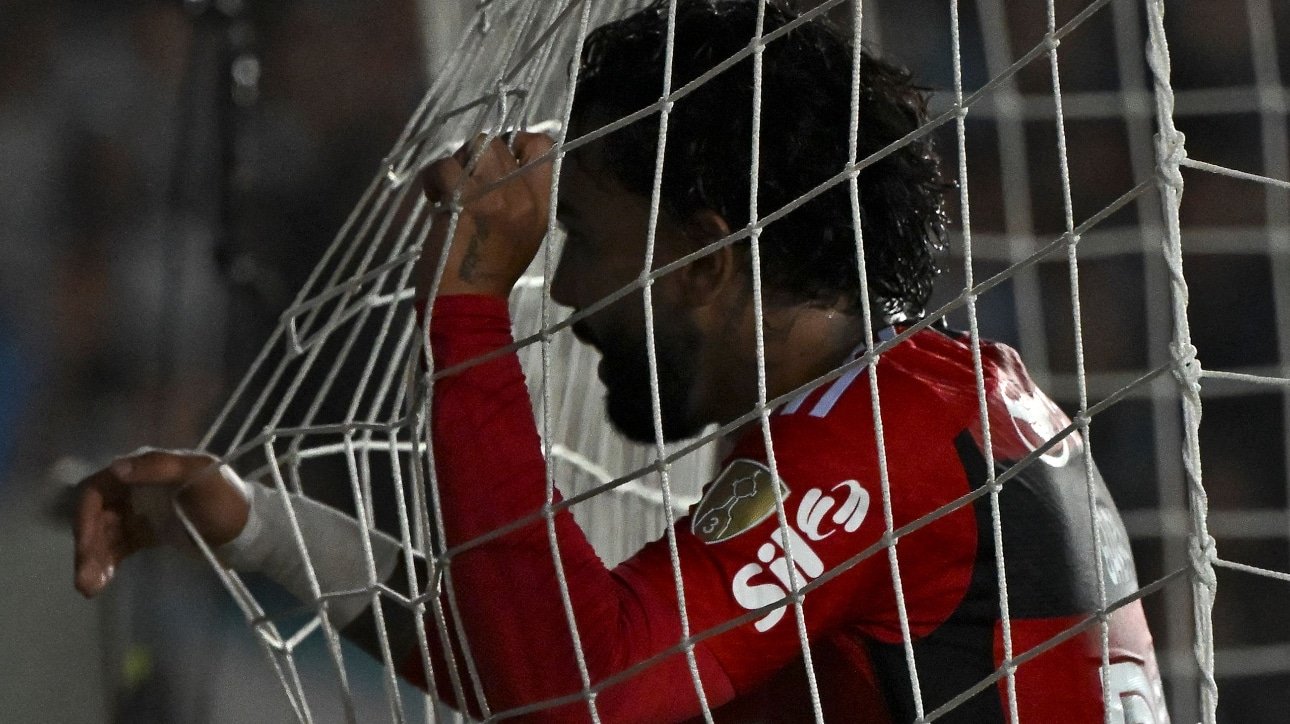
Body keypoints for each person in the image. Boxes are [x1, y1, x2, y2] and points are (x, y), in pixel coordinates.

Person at [72, 1, 1169, 722]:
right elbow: (534, 652)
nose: (574, 291)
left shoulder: (884, 439)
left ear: (700, 258)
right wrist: (253, 522)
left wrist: (464, 310)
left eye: (586, 239)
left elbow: (574, 697)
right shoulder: (933, 404)